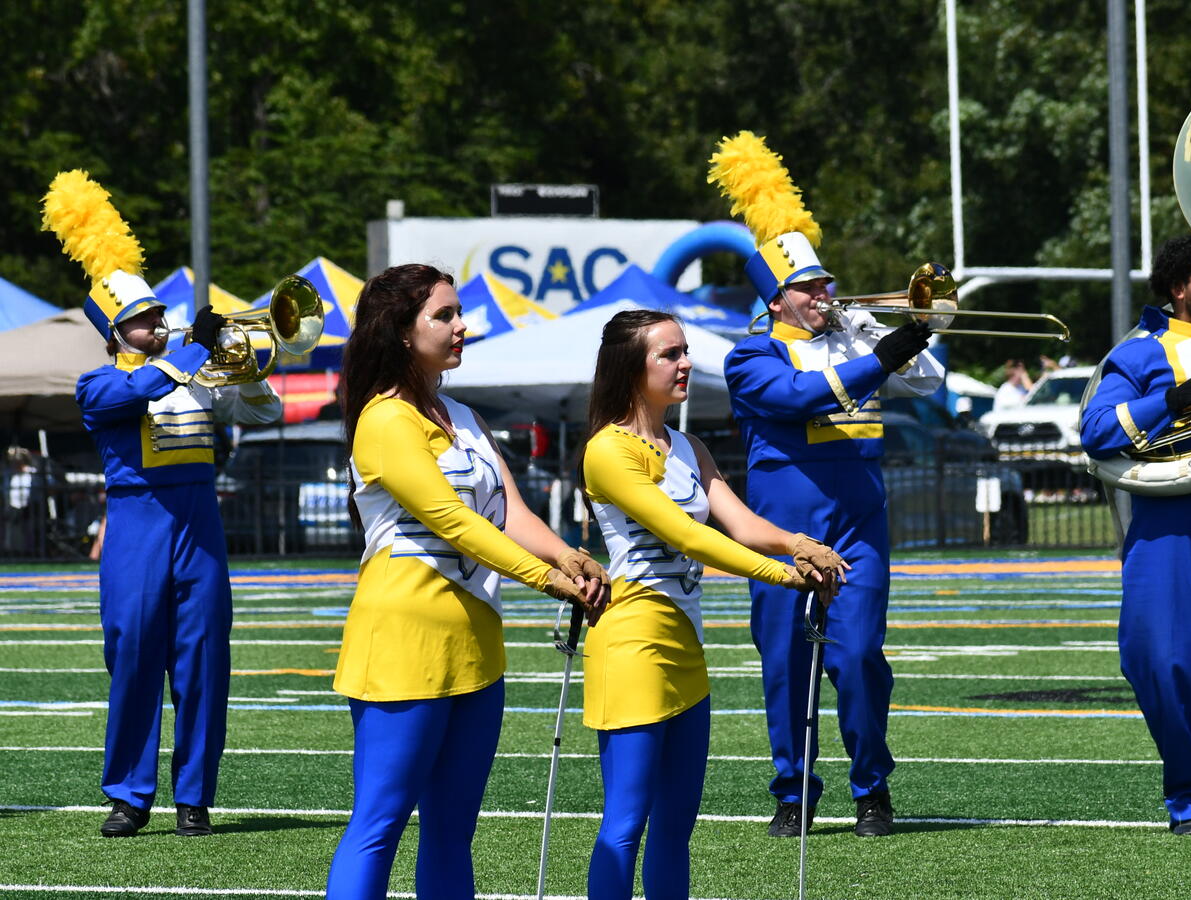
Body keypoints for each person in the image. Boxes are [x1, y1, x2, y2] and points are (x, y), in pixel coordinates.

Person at [325, 264, 608, 899]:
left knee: (453, 831)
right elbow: (451, 520)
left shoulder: (463, 415)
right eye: (443, 316)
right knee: (380, 825)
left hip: (477, 644)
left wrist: (570, 557)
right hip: (403, 641)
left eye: (458, 313)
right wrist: (547, 580)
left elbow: (510, 511)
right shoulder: (383, 418)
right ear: (401, 332)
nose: (462, 326)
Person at [710, 131, 945, 838]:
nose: (826, 294)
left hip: (859, 526)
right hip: (783, 533)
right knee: (785, 668)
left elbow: (932, 383)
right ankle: (793, 792)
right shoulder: (749, 355)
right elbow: (803, 397)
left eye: (827, 283)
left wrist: (907, 330)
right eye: (811, 288)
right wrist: (880, 352)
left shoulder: (856, 336)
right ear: (777, 301)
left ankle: (872, 786)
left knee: (859, 656)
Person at [41, 169, 283, 838]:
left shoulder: (195, 368)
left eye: (156, 318)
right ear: (115, 332)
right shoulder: (98, 384)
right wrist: (198, 349)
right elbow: (142, 390)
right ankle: (128, 794)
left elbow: (266, 411)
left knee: (205, 661)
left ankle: (194, 796)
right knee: (134, 657)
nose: (156, 327)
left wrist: (243, 363)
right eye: (142, 322)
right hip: (138, 528)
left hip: (200, 526)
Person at [580, 309, 846, 898]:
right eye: (669, 354)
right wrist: (786, 575)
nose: (685, 363)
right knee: (625, 826)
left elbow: (742, 523)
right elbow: (690, 536)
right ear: (631, 367)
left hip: (685, 644)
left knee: (677, 828)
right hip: (631, 642)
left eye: (684, 351)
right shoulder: (608, 450)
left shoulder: (688, 445)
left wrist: (801, 543)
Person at [1080, 234, 1191, 836]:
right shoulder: (1142, 351)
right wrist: (1172, 399)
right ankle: (1189, 793)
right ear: (1179, 287)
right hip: (1172, 519)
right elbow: (1098, 431)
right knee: (1161, 658)